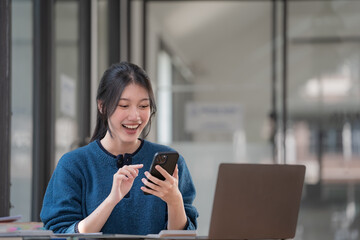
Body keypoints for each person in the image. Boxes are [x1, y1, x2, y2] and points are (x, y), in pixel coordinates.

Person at [40, 62, 198, 235]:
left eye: (143, 106)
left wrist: (174, 200)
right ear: (102, 106)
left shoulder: (172, 162)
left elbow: (182, 236)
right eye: (124, 105)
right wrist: (111, 200)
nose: (135, 116)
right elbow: (61, 234)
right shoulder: (73, 164)